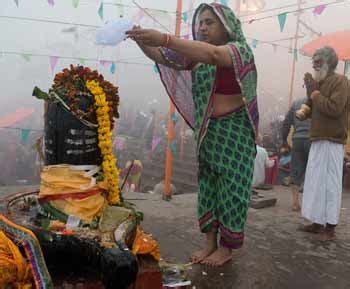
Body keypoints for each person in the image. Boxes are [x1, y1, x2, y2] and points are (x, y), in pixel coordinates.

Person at [127, 2, 258, 266]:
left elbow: (213, 55)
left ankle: (226, 248)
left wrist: (165, 38)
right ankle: (209, 243)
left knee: (232, 190)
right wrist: (141, 39)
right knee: (208, 188)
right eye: (201, 22)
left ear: (226, 25)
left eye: (210, 22)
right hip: (208, 132)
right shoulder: (195, 55)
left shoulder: (239, 50)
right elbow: (162, 56)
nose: (203, 27)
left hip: (235, 133)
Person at [298, 46, 349, 241]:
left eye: (318, 62)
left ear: (329, 63)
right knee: (315, 183)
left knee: (330, 184)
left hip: (333, 140)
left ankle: (330, 228)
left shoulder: (341, 81)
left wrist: (316, 96)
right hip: (318, 139)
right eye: (314, 62)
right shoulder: (319, 83)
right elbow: (314, 110)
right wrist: (310, 98)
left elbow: (335, 109)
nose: (314, 65)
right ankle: (317, 222)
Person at [282, 97, 311, 211]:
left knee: (296, 171)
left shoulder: (296, 103)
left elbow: (286, 123)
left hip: (297, 139)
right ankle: (309, 204)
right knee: (312, 172)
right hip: (313, 140)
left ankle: (295, 202)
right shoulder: (319, 100)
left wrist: (284, 141)